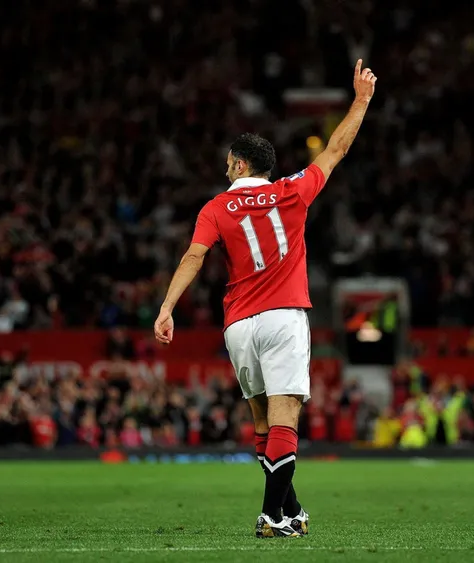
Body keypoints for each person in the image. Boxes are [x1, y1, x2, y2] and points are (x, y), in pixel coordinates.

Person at [154, 59, 377, 538]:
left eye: (228, 161)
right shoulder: (292, 191)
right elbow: (336, 149)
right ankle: (272, 515)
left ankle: (290, 511)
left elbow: (194, 257)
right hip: (283, 318)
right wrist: (361, 100)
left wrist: (167, 307)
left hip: (238, 325)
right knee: (285, 418)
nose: (225, 167)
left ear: (239, 164)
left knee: (262, 423)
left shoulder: (216, 207)